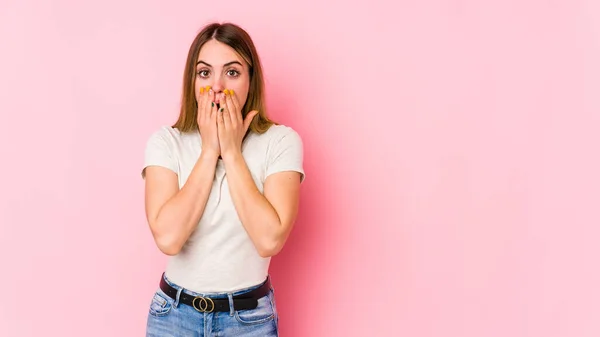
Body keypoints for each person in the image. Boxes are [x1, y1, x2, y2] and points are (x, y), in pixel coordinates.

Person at [141, 22, 305, 336]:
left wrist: (231, 152)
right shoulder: (166, 142)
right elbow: (168, 239)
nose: (216, 86)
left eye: (231, 72)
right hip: (173, 318)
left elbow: (269, 239)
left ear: (250, 80)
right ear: (192, 80)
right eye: (205, 73)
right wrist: (209, 150)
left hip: (248, 322)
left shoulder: (281, 141)